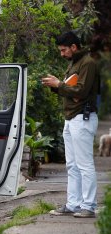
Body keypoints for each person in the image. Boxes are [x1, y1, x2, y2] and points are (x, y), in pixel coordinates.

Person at [42, 31, 99, 218]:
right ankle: (73, 204)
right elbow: (71, 90)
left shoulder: (87, 63)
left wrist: (59, 84)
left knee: (84, 165)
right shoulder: (75, 63)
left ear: (74, 47)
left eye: (64, 50)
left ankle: (88, 206)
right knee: (72, 166)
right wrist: (56, 86)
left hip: (83, 117)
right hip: (71, 118)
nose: (62, 54)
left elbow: (81, 91)